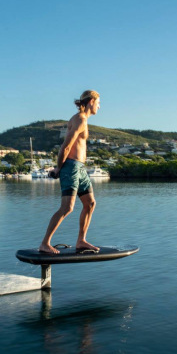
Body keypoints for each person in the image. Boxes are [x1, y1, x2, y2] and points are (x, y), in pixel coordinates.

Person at [39, 90, 100, 254]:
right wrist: (59, 167)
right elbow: (66, 146)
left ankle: (81, 240)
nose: (99, 107)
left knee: (90, 203)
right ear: (91, 101)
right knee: (67, 207)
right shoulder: (79, 119)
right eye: (98, 103)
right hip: (71, 167)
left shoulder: (83, 119)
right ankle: (45, 243)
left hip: (80, 168)